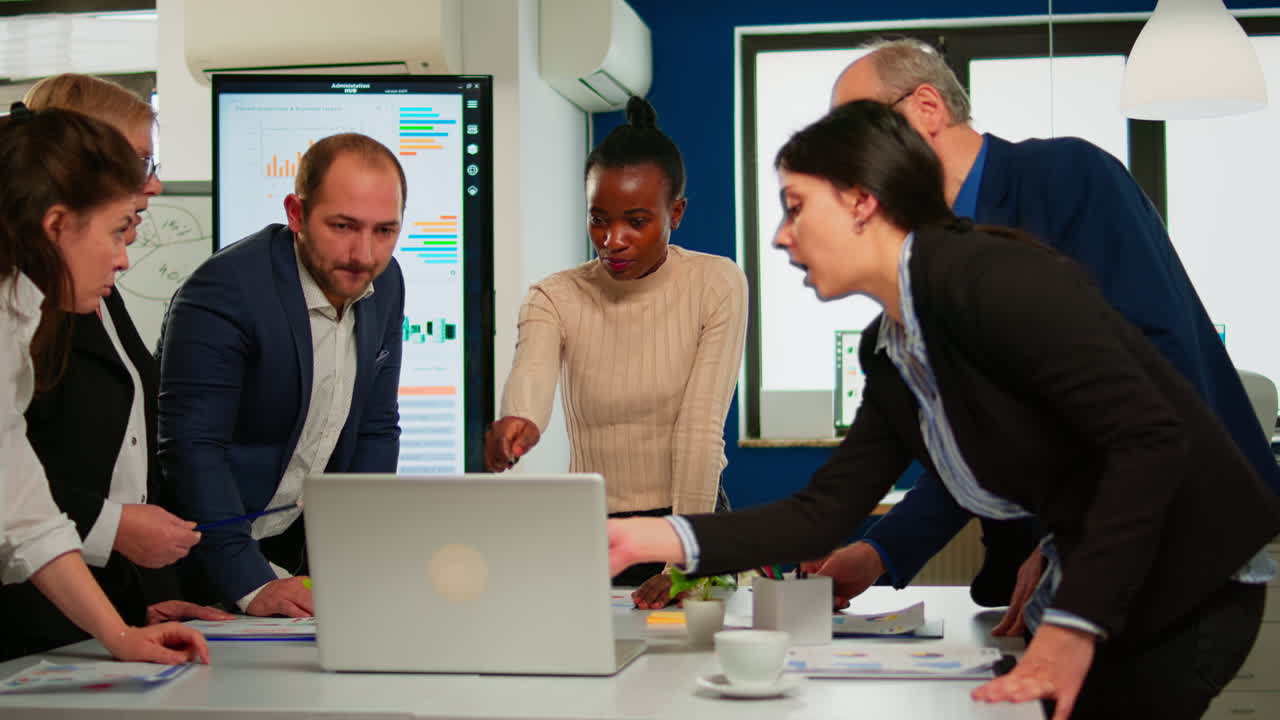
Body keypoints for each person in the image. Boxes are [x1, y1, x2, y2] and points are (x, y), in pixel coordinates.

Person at [608, 100, 1279, 720]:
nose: (782, 238)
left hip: (1191, 578)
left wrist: (1075, 625)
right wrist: (653, 537)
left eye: (795, 207)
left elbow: (1151, 438)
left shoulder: (985, 276)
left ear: (862, 203)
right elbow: (826, 511)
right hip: (1118, 584)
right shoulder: (893, 347)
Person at [806, 38, 1280, 621]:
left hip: (1177, 551)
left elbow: (1159, 370)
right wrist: (879, 552)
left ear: (927, 109)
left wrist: (1073, 542)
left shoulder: (1067, 179)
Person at [0, 74, 233, 662]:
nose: (126, 257)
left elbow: (25, 512)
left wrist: (121, 635)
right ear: (56, 225)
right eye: (116, 231)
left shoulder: (19, 310)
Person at [485, 96, 747, 606]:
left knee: (685, 672)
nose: (612, 241)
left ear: (677, 212)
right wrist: (518, 420)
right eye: (599, 219)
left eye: (636, 221)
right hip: (596, 530)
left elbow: (700, 431)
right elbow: (531, 376)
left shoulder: (716, 283)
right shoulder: (554, 295)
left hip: (690, 521)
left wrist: (685, 560)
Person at [157, 132, 406, 617]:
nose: (363, 254)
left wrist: (359, 563)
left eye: (384, 231)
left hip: (292, 552)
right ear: (296, 213)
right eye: (342, 226)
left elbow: (376, 427)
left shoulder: (387, 280)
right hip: (195, 559)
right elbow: (192, 449)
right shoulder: (224, 290)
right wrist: (250, 583)